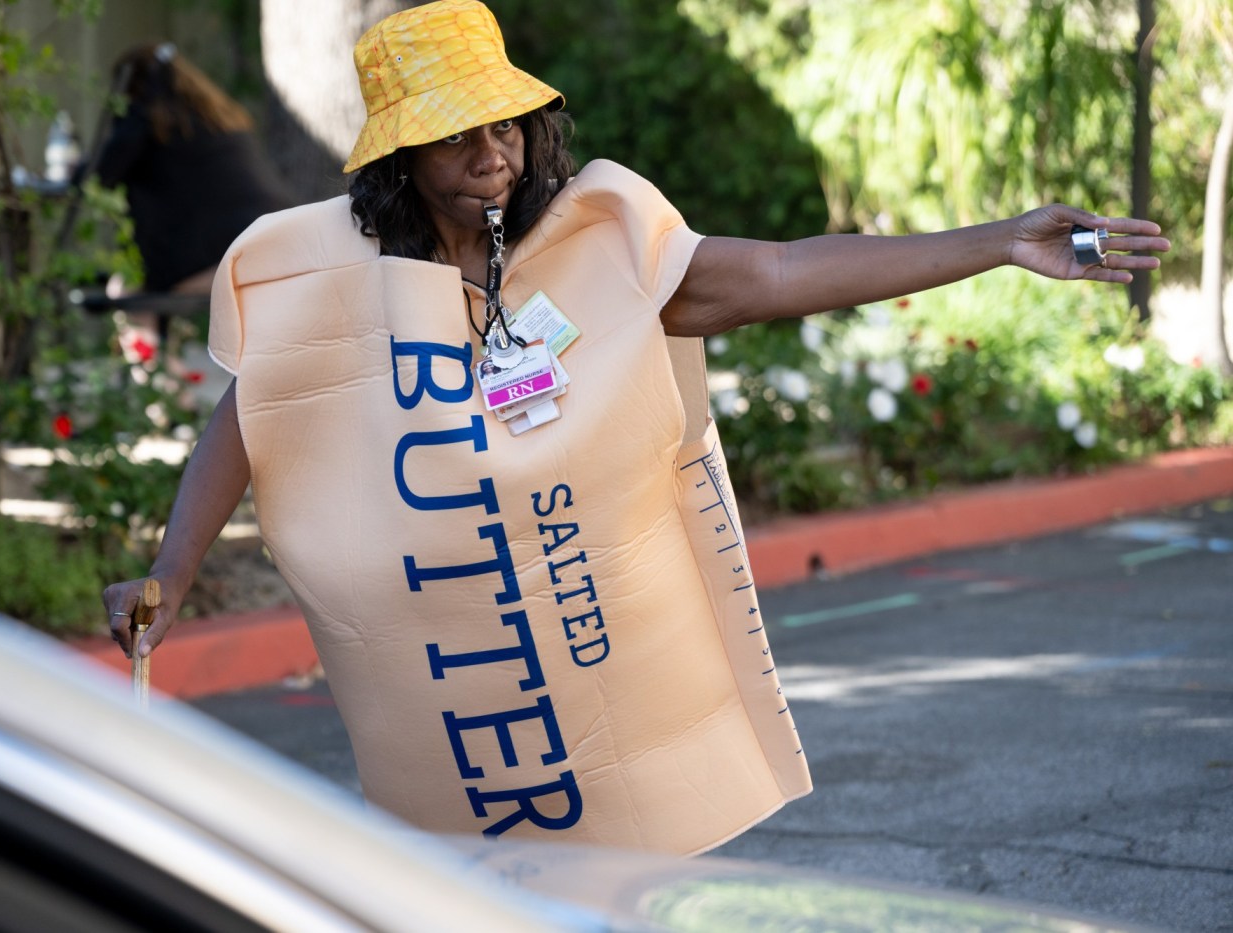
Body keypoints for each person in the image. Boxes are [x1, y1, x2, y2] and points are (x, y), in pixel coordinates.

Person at [103, 0, 1167, 854]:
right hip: (459, 727)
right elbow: (251, 416)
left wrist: (997, 242)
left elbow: (777, 271)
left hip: (593, 699)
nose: (492, 153)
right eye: (457, 134)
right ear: (401, 154)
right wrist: (172, 573)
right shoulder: (334, 277)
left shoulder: (598, 239)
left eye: (505, 124)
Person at [81, 43, 292, 371]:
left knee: (128, 292)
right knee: (141, 294)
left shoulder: (146, 122)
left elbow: (97, 175)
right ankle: (166, 386)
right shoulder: (218, 118)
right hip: (277, 241)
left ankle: (159, 389)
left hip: (223, 256)